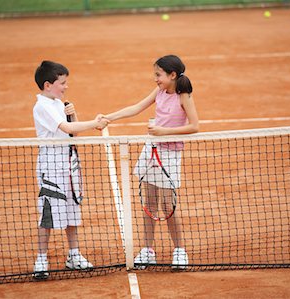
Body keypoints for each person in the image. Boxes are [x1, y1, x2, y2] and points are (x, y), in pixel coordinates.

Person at [101, 55, 199, 269]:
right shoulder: (160, 92)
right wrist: (108, 117)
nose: (155, 79)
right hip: (151, 151)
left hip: (170, 156)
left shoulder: (184, 96)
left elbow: (194, 126)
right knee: (150, 204)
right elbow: (136, 108)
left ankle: (180, 250)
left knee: (168, 206)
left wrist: (164, 131)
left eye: (158, 75)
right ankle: (147, 250)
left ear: (172, 75)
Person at [32, 60, 109, 278]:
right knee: (48, 214)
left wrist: (73, 114)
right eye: (62, 83)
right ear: (48, 85)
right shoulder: (42, 107)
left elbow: (73, 133)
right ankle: (41, 260)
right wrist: (93, 123)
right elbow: (65, 128)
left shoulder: (58, 103)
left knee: (72, 210)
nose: (66, 87)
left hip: (69, 164)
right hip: (51, 168)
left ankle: (74, 255)